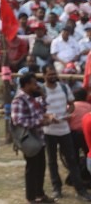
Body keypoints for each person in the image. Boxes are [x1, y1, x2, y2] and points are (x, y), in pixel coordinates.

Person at [41, 65, 91, 200]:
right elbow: (38, 110)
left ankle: (80, 190)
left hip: (64, 129)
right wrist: (49, 117)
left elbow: (72, 104)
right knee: (52, 161)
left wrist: (68, 113)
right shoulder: (41, 90)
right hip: (49, 131)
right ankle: (56, 188)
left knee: (72, 160)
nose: (52, 76)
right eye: (50, 74)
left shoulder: (63, 87)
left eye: (54, 73)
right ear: (44, 75)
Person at [11, 72, 57, 204]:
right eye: (34, 83)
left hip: (39, 138)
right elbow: (18, 120)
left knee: (40, 167)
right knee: (32, 168)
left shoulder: (31, 97)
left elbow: (40, 111)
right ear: (26, 85)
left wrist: (43, 98)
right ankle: (31, 198)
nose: (36, 85)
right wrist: (40, 122)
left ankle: (39, 194)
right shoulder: (19, 100)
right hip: (30, 139)